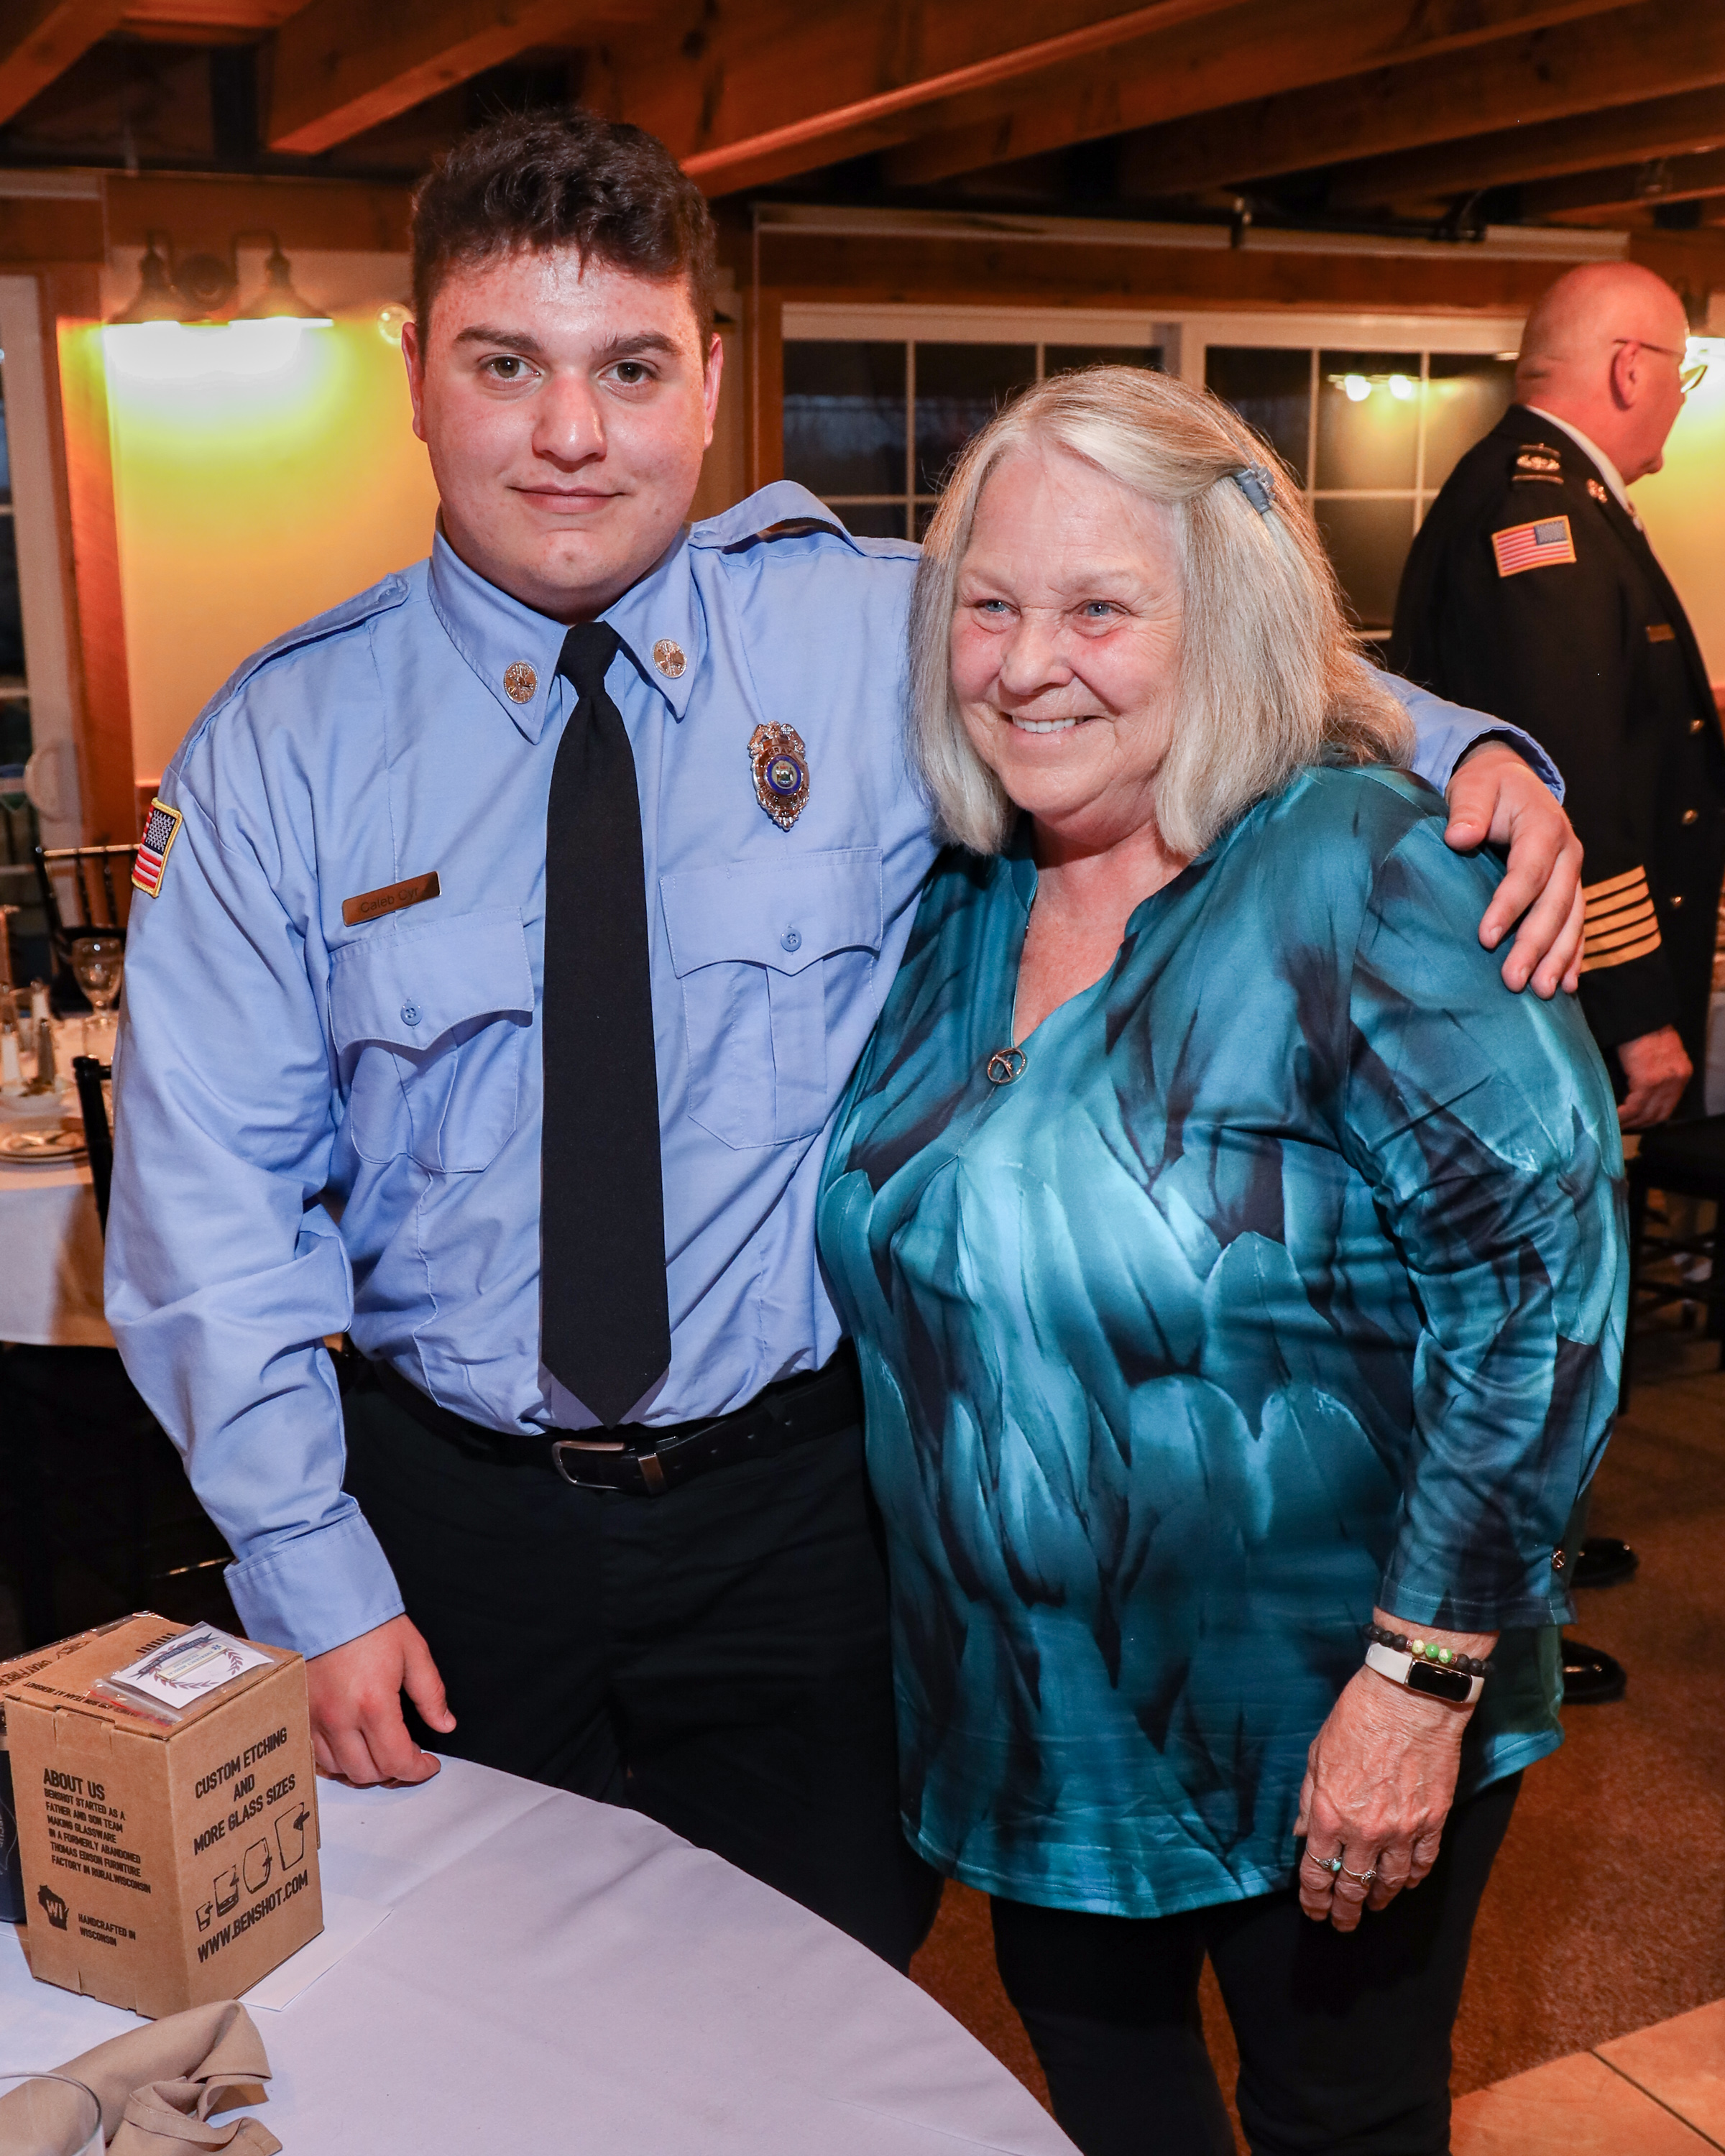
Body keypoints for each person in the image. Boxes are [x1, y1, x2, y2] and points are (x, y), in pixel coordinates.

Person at [106, 109, 1584, 1975]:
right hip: (449, 1533)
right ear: (415, 376)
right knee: (483, 2020)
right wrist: (310, 1578)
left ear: (709, 381)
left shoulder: (867, 638)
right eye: (506, 365)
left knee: (818, 2014)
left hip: (806, 1529)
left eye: (630, 368)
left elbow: (1182, 649)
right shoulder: (282, 749)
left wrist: (1480, 757)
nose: (572, 433)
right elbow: (207, 1213)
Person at [818, 367, 1623, 2155]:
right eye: (990, 606)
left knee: (1341, 2123)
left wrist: (1418, 1685)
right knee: (1115, 2109)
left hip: (1328, 1708)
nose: (1029, 664)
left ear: (1225, 617)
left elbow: (1539, 1301)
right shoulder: (965, 895)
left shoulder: (1369, 870)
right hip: (1035, 1721)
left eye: (1102, 609)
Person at [1392, 259, 1723, 1685]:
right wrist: (1639, 1011)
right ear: (1633, 368)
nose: (1677, 404)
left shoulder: (1539, 490)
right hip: (1554, 981)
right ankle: (1511, 1616)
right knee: (1537, 1304)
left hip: (1542, 971)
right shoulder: (1544, 514)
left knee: (1546, 1296)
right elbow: (1576, 778)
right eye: (1683, 374)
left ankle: (1543, 1558)